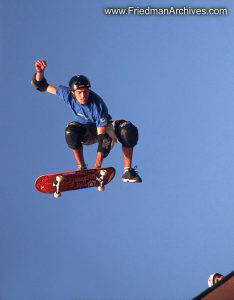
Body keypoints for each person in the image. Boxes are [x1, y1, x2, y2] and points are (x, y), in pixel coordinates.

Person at [32, 60, 142, 183]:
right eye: (79, 92)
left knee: (128, 130)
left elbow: (102, 139)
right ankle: (82, 167)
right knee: (70, 131)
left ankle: (128, 171)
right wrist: (39, 72)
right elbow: (41, 85)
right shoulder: (66, 94)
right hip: (86, 132)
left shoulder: (97, 104)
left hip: (104, 130)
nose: (83, 95)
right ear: (73, 93)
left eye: (86, 91)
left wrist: (97, 166)